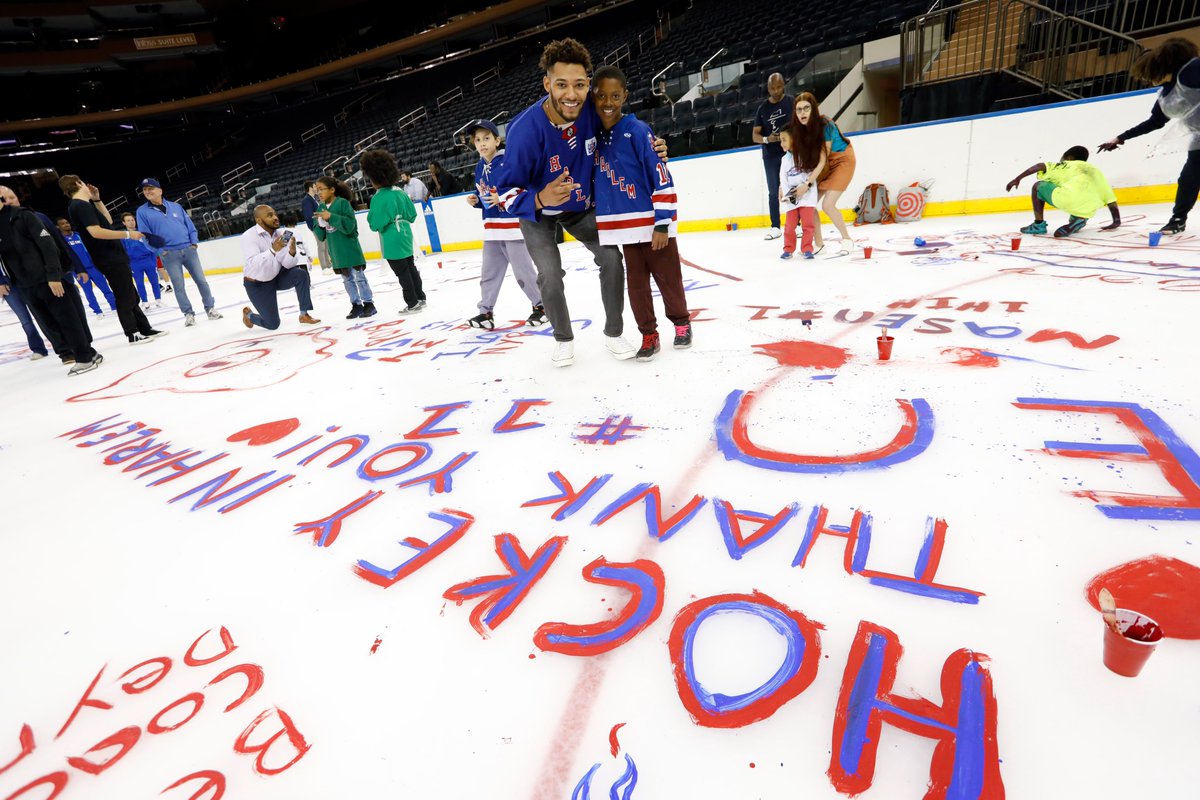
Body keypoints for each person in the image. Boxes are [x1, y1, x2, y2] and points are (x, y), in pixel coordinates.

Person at [494, 36, 641, 367]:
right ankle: (563, 338)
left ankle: (615, 333)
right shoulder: (524, 130)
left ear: (588, 84)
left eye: (579, 84)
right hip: (538, 213)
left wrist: (652, 147)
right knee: (549, 272)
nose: (571, 94)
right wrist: (541, 197)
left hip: (580, 209)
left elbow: (623, 136)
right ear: (547, 83)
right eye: (561, 84)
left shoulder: (592, 109)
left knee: (612, 259)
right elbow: (504, 193)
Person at [592, 66, 691, 362]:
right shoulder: (591, 137)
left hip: (652, 226)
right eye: (600, 95)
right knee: (636, 286)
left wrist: (662, 222)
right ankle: (648, 333)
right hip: (623, 231)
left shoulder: (637, 130)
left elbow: (661, 175)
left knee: (668, 278)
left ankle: (682, 322)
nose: (608, 102)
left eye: (615, 95)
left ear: (625, 96)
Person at [1099, 38, 1200, 235]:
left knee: (1189, 178)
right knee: (1188, 179)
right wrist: (1121, 137)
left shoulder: (1194, 69)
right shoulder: (1168, 92)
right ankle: (1178, 219)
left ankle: (1178, 218)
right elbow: (1155, 122)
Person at [0, 197, 103, 375]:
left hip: (48, 278)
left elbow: (48, 244)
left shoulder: (23, 216)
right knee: (51, 324)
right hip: (24, 284)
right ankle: (89, 353)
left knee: (67, 318)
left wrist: (54, 275)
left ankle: (85, 357)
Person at [61, 175, 168, 345]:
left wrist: (97, 200)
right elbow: (96, 232)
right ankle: (132, 333)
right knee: (124, 296)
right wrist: (127, 234)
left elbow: (108, 222)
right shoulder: (80, 206)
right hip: (108, 257)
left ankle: (144, 328)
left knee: (131, 294)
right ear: (78, 184)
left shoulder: (85, 205)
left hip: (112, 256)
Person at [462, 118, 545, 329]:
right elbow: (484, 193)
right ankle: (485, 312)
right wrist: (476, 200)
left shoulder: (509, 161)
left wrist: (503, 197)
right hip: (492, 229)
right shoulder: (480, 166)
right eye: (478, 139)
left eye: (487, 138)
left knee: (523, 273)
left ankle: (542, 306)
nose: (482, 143)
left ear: (497, 140)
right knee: (488, 274)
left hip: (513, 229)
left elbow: (522, 187)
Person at [135, 178, 221, 326]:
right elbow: (145, 236)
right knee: (179, 286)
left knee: (202, 281)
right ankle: (188, 313)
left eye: (150, 188)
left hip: (189, 250)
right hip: (169, 254)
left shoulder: (175, 206)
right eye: (144, 190)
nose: (147, 191)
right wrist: (160, 251)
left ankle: (210, 308)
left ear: (160, 190)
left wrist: (194, 242)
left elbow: (190, 226)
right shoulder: (142, 212)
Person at [362, 148, 427, 314]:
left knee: (402, 272)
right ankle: (420, 297)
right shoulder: (400, 192)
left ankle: (412, 303)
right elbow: (412, 215)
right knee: (410, 266)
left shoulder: (378, 198)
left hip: (392, 238)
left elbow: (375, 223)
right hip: (405, 234)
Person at [792, 92, 857, 256]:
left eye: (806, 108)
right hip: (826, 165)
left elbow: (822, 160)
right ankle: (819, 244)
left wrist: (807, 184)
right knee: (810, 204)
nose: (802, 113)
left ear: (813, 108)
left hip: (842, 161)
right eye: (799, 110)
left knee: (827, 205)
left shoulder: (824, 123)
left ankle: (847, 239)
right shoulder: (802, 131)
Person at [1007, 145, 1121, 237]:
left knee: (1037, 186)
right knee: (1082, 198)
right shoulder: (1096, 171)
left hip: (1068, 200)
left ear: (1069, 157)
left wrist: (1018, 179)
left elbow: (1040, 166)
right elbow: (1110, 199)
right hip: (1088, 209)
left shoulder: (1066, 164)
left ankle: (1038, 225)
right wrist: (1116, 221)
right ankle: (1079, 220)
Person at [239, 204, 321, 330]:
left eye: (275, 214)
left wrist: (291, 253)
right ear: (259, 220)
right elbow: (253, 263)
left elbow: (287, 264)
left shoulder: (283, 233)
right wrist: (272, 250)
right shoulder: (248, 236)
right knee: (273, 324)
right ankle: (249, 316)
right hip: (258, 284)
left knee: (301, 274)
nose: (275, 217)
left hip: (276, 277)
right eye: (269, 215)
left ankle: (304, 314)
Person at [313, 175, 376, 319]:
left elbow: (350, 226)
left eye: (322, 189)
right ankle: (356, 305)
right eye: (317, 190)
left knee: (359, 277)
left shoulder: (343, 203)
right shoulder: (320, 207)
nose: (319, 193)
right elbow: (320, 234)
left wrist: (330, 218)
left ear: (332, 190)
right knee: (347, 280)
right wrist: (319, 225)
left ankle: (369, 304)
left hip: (349, 247)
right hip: (335, 251)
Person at [752, 73, 793, 240]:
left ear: (783, 85)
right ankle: (775, 226)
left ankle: (796, 224)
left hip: (789, 152)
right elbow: (754, 135)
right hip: (770, 155)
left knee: (793, 186)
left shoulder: (791, 102)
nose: (776, 91)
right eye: (772, 88)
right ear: (768, 88)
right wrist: (766, 139)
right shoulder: (763, 108)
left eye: (779, 87)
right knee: (773, 191)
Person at [57, 217, 116, 317]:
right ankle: (97, 311)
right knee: (88, 292)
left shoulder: (79, 236)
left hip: (93, 268)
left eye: (67, 222)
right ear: (58, 227)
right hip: (79, 271)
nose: (66, 225)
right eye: (63, 224)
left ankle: (114, 307)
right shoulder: (61, 241)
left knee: (105, 288)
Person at [777, 129, 819, 259]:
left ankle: (807, 249)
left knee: (808, 225)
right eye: (780, 140)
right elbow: (783, 178)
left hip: (807, 196)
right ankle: (788, 249)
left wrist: (805, 187)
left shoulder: (805, 155)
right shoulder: (784, 160)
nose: (781, 143)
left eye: (784, 140)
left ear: (793, 139)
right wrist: (786, 194)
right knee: (789, 226)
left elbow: (811, 175)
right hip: (792, 198)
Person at [120, 211, 164, 308]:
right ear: (124, 223)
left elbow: (152, 245)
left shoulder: (143, 232)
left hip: (149, 260)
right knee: (139, 283)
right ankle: (144, 301)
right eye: (128, 221)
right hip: (134, 263)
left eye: (132, 220)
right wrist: (128, 264)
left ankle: (158, 299)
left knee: (154, 281)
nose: (131, 222)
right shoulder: (123, 236)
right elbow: (122, 251)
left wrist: (154, 260)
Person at [300, 180, 331, 272]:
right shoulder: (307, 200)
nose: (316, 188)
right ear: (310, 188)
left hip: (320, 225)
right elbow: (309, 216)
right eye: (314, 186)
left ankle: (328, 264)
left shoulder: (313, 199)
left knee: (325, 245)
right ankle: (324, 267)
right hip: (316, 226)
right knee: (321, 246)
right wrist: (314, 227)